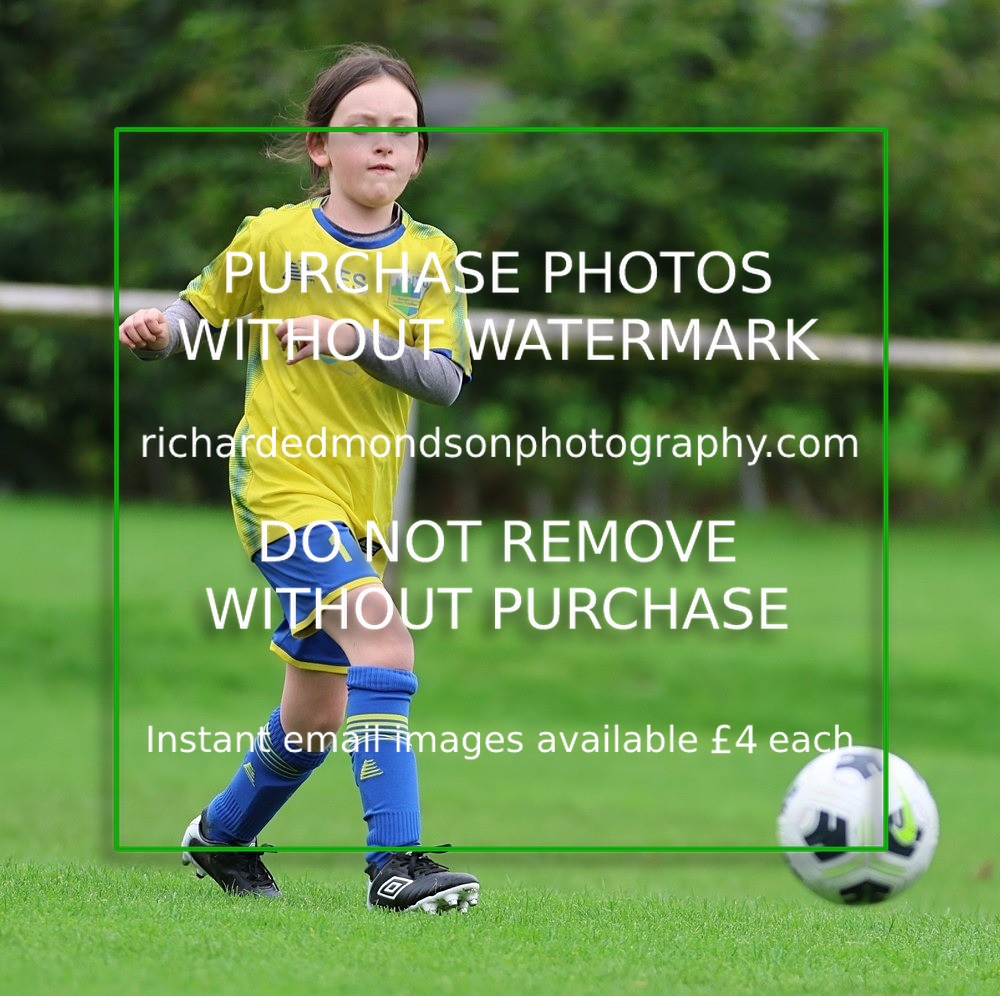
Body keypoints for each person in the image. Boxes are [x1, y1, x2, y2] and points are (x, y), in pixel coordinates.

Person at [118, 44, 478, 915]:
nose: (385, 146)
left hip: (366, 505)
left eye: (403, 132)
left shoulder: (431, 256)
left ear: (421, 153)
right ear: (322, 146)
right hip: (281, 485)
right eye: (364, 129)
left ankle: (222, 838)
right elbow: (195, 308)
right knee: (385, 647)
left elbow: (447, 379)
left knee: (316, 714)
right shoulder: (274, 236)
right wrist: (159, 331)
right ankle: (397, 866)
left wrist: (358, 340)